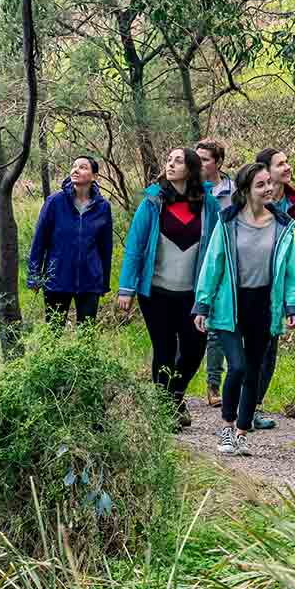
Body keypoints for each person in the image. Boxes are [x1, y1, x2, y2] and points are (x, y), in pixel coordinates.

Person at [192, 162, 295, 456]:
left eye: (269, 183)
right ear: (245, 191)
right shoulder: (227, 222)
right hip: (231, 304)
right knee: (237, 366)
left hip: (264, 304)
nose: (268, 189)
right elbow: (212, 264)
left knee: (253, 369)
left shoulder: (282, 225)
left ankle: (241, 432)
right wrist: (202, 304)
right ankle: (226, 427)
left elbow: (292, 271)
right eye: (261, 185)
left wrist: (292, 304)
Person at [117, 148, 210, 428]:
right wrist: (126, 288)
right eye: (168, 160)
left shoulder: (209, 205)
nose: (171, 164)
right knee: (164, 348)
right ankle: (164, 408)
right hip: (156, 293)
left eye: (178, 161)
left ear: (191, 169)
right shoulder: (153, 202)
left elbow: (218, 246)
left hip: (193, 294)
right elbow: (135, 246)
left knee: (195, 347)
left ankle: (175, 395)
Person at [246, 147, 295, 430]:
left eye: (288, 163)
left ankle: (254, 406)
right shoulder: (251, 203)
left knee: (269, 348)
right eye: (281, 164)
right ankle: (239, 407)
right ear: (266, 170)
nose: (287, 167)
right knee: (248, 350)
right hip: (249, 286)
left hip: (278, 288)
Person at [27, 155, 113, 324]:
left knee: (87, 337)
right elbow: (39, 241)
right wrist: (34, 275)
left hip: (90, 281)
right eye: (74, 166)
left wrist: (103, 282)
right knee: (53, 334)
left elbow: (105, 247)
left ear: (94, 176)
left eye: (83, 167)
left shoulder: (103, 207)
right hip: (57, 279)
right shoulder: (55, 202)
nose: (76, 170)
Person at [195, 138, 235, 407]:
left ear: (218, 162)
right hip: (194, 262)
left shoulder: (233, 191)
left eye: (205, 159)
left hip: (224, 265)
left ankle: (213, 385)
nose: (199, 164)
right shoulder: (191, 191)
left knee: (215, 328)